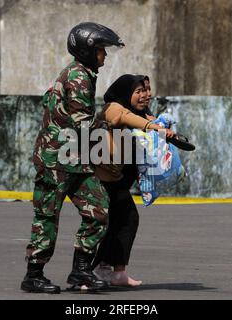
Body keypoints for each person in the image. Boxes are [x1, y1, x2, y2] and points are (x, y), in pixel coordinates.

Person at [21, 22, 125, 294]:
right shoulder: (77, 77)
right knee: (47, 215)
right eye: (101, 49)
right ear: (89, 50)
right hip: (56, 159)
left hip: (76, 158)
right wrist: (115, 125)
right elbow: (83, 124)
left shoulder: (86, 74)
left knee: (98, 210)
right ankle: (33, 275)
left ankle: (81, 270)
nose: (105, 55)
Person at [92, 74, 174, 287]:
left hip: (117, 178)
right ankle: (97, 268)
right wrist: (152, 126)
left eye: (147, 89)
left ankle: (116, 271)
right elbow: (121, 118)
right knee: (115, 221)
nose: (145, 95)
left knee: (123, 220)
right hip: (100, 177)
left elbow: (151, 128)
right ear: (125, 93)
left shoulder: (145, 115)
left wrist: (166, 132)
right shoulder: (112, 107)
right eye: (138, 91)